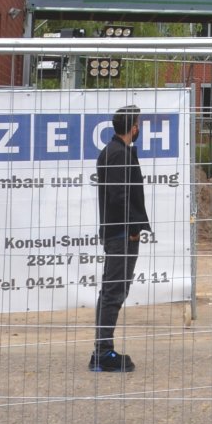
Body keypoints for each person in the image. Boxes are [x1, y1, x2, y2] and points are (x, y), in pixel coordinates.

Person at [91, 105, 150, 372]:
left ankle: (102, 350)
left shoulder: (119, 151)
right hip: (121, 233)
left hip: (122, 231)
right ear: (134, 128)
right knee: (113, 291)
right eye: (138, 123)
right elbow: (119, 195)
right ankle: (103, 353)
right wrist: (133, 227)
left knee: (114, 290)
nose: (139, 127)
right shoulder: (116, 154)